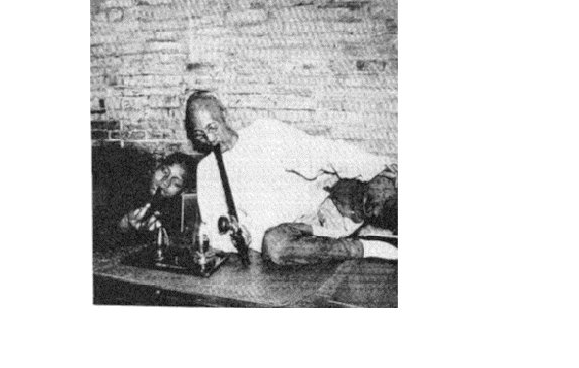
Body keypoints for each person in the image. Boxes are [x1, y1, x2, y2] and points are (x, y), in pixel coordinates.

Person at [186, 91, 398, 266]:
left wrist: (378, 167)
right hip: (296, 237)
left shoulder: (263, 133)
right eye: (200, 135)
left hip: (333, 205)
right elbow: (213, 231)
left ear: (224, 113)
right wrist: (239, 239)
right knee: (275, 246)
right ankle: (367, 248)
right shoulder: (207, 171)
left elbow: (322, 152)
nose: (210, 138)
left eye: (212, 127)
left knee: (384, 188)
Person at [117, 152, 191, 233]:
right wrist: (125, 223)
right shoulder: (126, 189)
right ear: (156, 167)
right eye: (164, 172)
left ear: (184, 191)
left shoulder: (180, 215)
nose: (165, 182)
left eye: (176, 183)